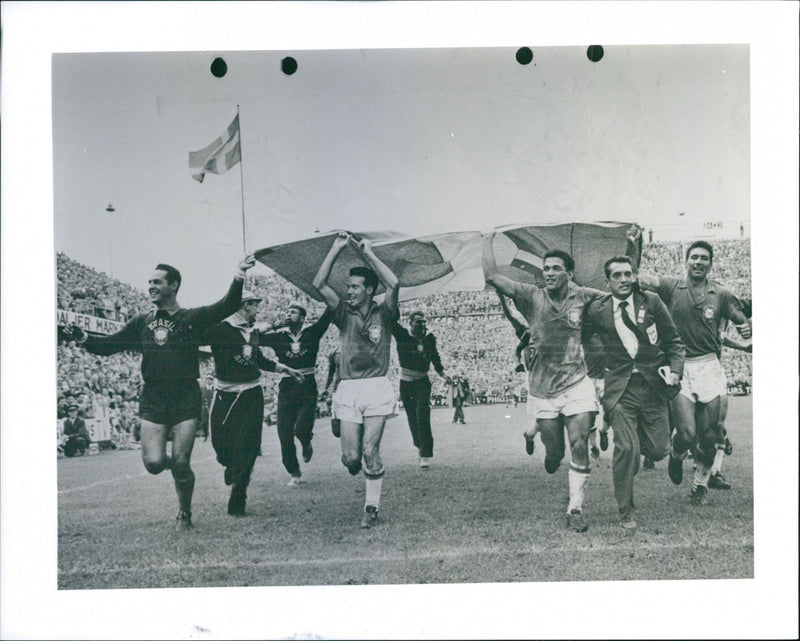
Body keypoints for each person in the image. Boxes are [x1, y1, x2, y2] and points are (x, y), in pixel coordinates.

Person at [66, 254, 256, 530]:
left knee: (181, 462)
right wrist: (83, 338)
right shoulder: (141, 322)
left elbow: (226, 305)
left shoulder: (191, 318)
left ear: (174, 285)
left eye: (157, 282)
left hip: (185, 397)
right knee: (154, 463)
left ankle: (184, 513)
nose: (151, 287)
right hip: (154, 398)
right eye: (149, 282)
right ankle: (177, 473)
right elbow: (110, 345)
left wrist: (239, 274)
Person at [483, 230, 604, 533]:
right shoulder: (530, 295)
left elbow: (618, 298)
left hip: (577, 382)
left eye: (555, 268)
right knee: (556, 452)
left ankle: (575, 507)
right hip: (542, 389)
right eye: (546, 268)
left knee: (579, 443)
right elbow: (494, 276)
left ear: (569, 273)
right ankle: (551, 454)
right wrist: (487, 239)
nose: (549, 273)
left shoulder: (585, 296)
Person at [638, 240, 751, 505]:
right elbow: (647, 281)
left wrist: (744, 326)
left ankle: (700, 485)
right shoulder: (671, 286)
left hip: (710, 367)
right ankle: (676, 457)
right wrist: (634, 259)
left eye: (703, 258)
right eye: (694, 257)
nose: (698, 262)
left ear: (710, 263)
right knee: (687, 433)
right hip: (680, 367)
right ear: (686, 260)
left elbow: (738, 316)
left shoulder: (720, 294)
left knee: (711, 434)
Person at [584, 256, 685, 529]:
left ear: (635, 275)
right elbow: (576, 335)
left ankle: (642, 444)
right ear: (607, 281)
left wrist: (675, 369)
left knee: (660, 449)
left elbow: (674, 341)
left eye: (628, 273)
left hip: (654, 386)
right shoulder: (597, 310)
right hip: (620, 389)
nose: (623, 279)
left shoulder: (651, 301)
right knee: (627, 449)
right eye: (616, 275)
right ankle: (625, 510)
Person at [312, 231, 400, 528]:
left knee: (369, 451)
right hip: (348, 388)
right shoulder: (341, 312)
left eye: (354, 287)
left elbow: (394, 283)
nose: (348, 291)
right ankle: (352, 453)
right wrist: (336, 248)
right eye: (347, 286)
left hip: (376, 385)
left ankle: (371, 508)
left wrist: (369, 254)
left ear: (368, 290)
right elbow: (318, 284)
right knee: (351, 459)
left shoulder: (385, 312)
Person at [201, 291, 304, 516]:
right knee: (221, 446)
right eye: (255, 305)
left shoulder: (253, 331)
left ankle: (239, 496)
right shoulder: (220, 329)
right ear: (246, 305)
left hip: (251, 393)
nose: (258, 309)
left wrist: (286, 368)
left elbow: (259, 360)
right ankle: (230, 465)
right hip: (225, 394)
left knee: (248, 446)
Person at [258, 305, 332, 486]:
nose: (288, 314)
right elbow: (253, 338)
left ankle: (306, 443)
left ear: (302, 317)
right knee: (284, 432)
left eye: (293, 312)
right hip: (287, 385)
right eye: (286, 312)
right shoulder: (279, 337)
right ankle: (294, 471)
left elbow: (328, 315)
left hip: (307, 384)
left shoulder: (312, 333)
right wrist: (275, 325)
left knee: (301, 429)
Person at [391, 311, 450, 468]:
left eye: (424, 322)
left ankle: (425, 454)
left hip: (422, 381)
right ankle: (419, 445)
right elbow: (391, 320)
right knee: (412, 418)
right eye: (418, 322)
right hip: (406, 382)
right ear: (410, 323)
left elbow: (434, 356)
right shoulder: (402, 335)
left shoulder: (429, 338)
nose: (422, 325)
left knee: (423, 413)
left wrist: (442, 372)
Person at [708, 297, 752, 490]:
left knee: (717, 422)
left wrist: (744, 346)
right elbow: (718, 336)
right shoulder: (712, 309)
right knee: (692, 427)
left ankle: (714, 472)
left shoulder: (724, 316)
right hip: (692, 369)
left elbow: (720, 337)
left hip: (715, 369)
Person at [322, 346, 342, 438]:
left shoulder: (358, 349)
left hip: (356, 390)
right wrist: (326, 388)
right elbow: (331, 373)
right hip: (339, 390)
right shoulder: (334, 352)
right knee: (336, 430)